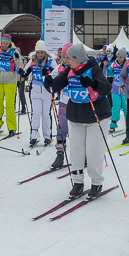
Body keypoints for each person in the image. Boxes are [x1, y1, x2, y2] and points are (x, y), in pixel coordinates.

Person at [45, 42, 112, 200]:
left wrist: (92, 83)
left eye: (69, 58)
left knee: (93, 151)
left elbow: (106, 88)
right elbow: (57, 84)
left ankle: (96, 183)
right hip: (75, 117)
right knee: (76, 152)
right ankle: (78, 182)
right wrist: (49, 83)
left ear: (78, 59)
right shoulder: (70, 71)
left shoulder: (93, 68)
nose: (66, 61)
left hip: (97, 118)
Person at [0, 34, 22, 138]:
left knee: (10, 104)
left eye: (7, 43)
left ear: (10, 43)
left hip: (10, 80)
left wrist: (17, 60)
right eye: (3, 43)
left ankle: (12, 127)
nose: (5, 45)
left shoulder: (14, 51)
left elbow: (20, 65)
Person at [21, 40, 54, 147]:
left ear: (45, 52)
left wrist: (48, 73)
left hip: (46, 91)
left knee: (45, 114)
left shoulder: (50, 61)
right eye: (38, 52)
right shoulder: (32, 61)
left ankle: (47, 136)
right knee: (35, 113)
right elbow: (25, 72)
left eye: (42, 52)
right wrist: (22, 72)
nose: (40, 54)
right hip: (35, 90)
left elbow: (56, 74)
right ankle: (33, 136)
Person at [49, 43, 72, 171]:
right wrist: (47, 81)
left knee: (77, 131)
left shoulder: (78, 68)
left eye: (68, 57)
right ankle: (60, 155)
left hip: (77, 103)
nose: (66, 60)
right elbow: (50, 78)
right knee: (61, 128)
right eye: (64, 57)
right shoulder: (59, 68)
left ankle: (83, 155)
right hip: (64, 101)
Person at [108, 50, 127, 133]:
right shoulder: (113, 64)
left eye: (121, 57)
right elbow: (109, 74)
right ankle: (113, 123)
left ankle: (128, 123)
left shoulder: (127, 64)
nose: (119, 59)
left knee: (126, 107)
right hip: (115, 88)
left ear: (124, 57)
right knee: (116, 106)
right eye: (118, 57)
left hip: (125, 88)